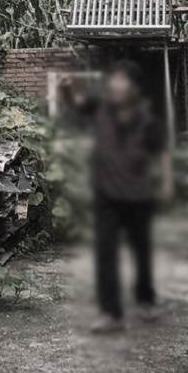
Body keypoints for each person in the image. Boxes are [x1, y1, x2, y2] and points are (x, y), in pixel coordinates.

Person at [62, 59, 169, 334]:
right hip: (106, 195)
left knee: (141, 251)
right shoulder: (100, 108)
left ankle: (145, 299)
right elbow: (78, 103)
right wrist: (69, 89)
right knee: (106, 253)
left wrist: (167, 183)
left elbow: (162, 153)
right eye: (113, 80)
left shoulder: (146, 121)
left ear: (133, 89)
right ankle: (112, 314)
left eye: (121, 81)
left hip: (138, 196)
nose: (114, 85)